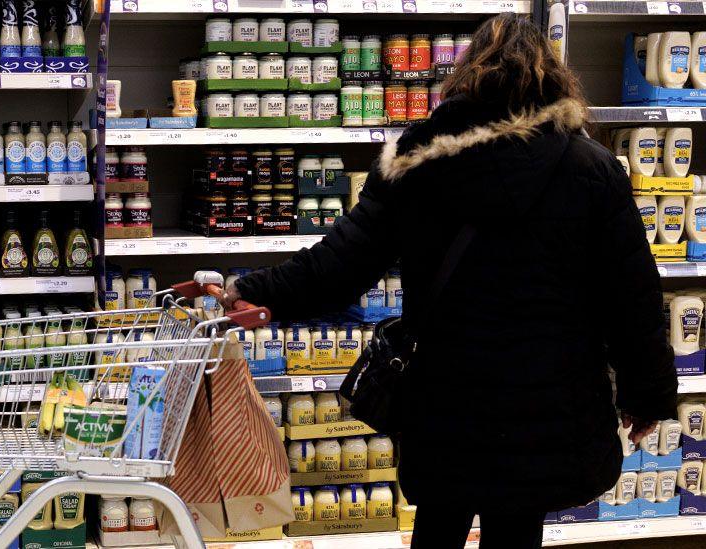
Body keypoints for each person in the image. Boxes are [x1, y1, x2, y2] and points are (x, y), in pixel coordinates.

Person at [222, 13, 678, 549]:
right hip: (545, 400)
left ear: (465, 78)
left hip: (445, 400)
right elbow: (632, 297)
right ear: (552, 79)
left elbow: (339, 263)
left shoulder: (417, 163)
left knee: (438, 526)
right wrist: (647, 393)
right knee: (517, 526)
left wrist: (254, 289)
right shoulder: (593, 168)